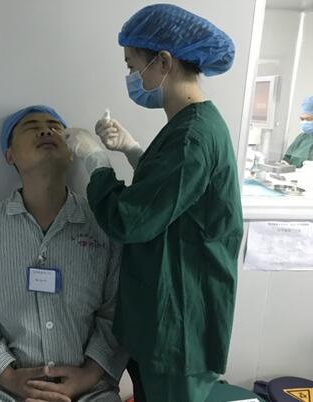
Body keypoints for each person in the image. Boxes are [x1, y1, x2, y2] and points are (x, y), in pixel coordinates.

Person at [65, 4, 244, 402]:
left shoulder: (193, 136)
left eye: (133, 66)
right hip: (165, 314)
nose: (132, 78)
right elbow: (175, 193)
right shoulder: (191, 126)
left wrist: (96, 161)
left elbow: (130, 219)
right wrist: (132, 150)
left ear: (163, 61)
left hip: (179, 325)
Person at [0, 105, 126, 402]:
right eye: (31, 127)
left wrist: (89, 374)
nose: (45, 130)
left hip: (88, 391)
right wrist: (8, 376)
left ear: (71, 152)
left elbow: (118, 308)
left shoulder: (102, 225)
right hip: (4, 391)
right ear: (10, 155)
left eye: (55, 127)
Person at [283, 96, 313, 168]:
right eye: (302, 119)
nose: (304, 122)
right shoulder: (302, 137)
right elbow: (286, 159)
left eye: (308, 119)